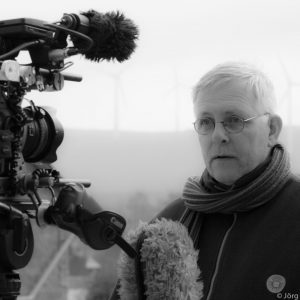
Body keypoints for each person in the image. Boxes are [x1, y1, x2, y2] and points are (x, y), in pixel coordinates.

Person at [109, 61, 300, 299]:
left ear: (271, 129)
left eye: (234, 120)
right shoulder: (168, 225)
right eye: (206, 122)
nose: (218, 136)